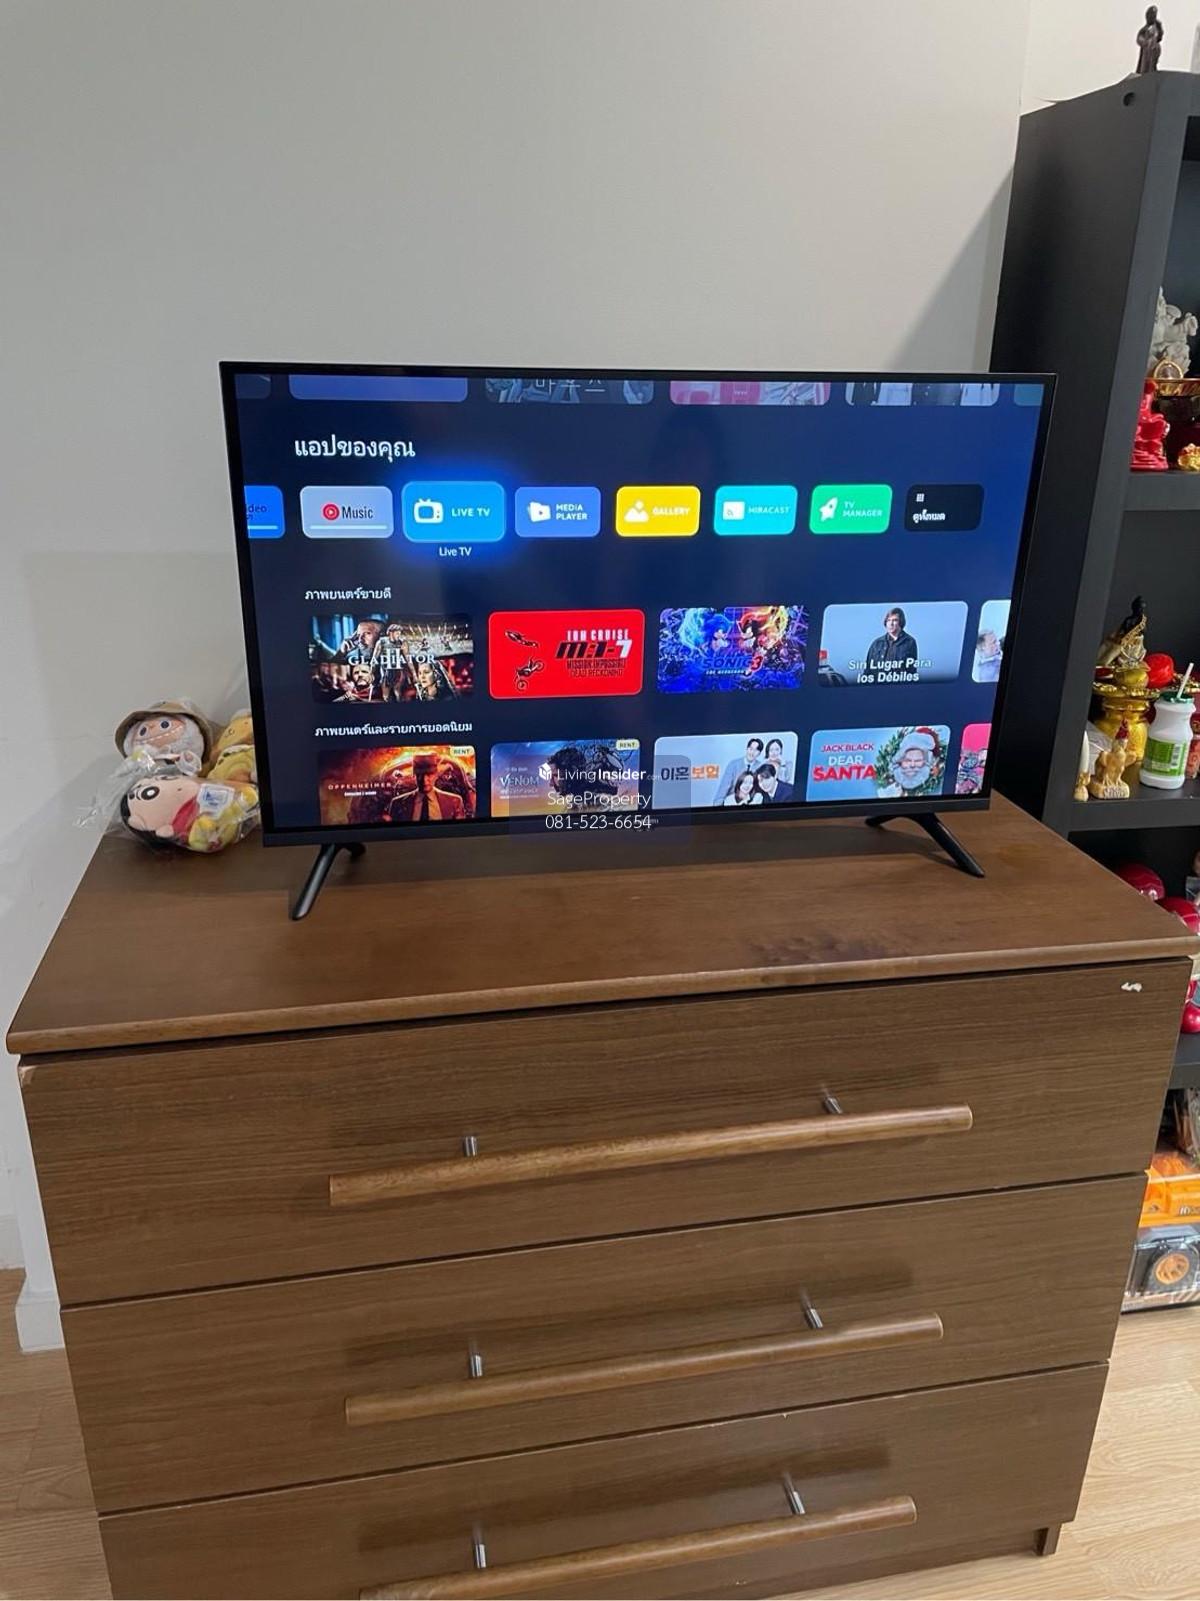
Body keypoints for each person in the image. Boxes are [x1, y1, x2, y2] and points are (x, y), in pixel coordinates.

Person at [386, 753, 466, 822]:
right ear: (414, 776)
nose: (424, 780)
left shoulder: (455, 802)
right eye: (419, 775)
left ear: (436, 775)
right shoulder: (397, 803)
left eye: (429, 775)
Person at [878, 729, 941, 798]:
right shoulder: (898, 762)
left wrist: (935, 771)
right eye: (908, 760)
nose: (912, 765)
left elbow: (933, 765)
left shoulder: (928, 760)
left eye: (918, 761)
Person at [864, 608, 919, 678]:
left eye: (895, 620)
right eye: (888, 620)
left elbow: (912, 671)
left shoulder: (909, 642)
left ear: (901, 622)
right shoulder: (877, 643)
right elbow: (867, 670)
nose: (891, 624)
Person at [714, 737, 765, 802]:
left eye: (756, 750)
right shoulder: (733, 765)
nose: (752, 752)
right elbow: (722, 790)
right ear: (747, 749)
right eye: (751, 749)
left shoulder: (761, 767)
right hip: (732, 802)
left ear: (759, 753)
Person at [1136, 5, 1163, 73]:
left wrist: (1159, 28)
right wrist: (1146, 42)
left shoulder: (1157, 26)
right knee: (1145, 67)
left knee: (1152, 65)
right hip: (1146, 51)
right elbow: (1139, 39)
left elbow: (1159, 37)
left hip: (1154, 50)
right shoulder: (1144, 29)